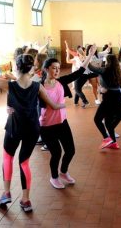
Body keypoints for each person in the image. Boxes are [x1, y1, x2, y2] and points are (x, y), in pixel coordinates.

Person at [0, 37, 65, 212]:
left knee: (7, 158)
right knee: (24, 163)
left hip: (14, 128)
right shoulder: (37, 86)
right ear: (32, 69)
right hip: (32, 130)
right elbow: (53, 105)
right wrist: (63, 104)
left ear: (17, 68)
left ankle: (6, 192)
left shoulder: (9, 85)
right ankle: (26, 200)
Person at [39, 54, 91, 189]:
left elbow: (79, 72)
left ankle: (63, 172)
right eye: (54, 68)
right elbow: (26, 97)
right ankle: (54, 177)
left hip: (62, 122)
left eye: (58, 68)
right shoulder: (38, 86)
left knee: (70, 150)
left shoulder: (61, 82)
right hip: (47, 126)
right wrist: (12, 107)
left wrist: (90, 54)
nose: (57, 71)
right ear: (46, 69)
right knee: (56, 153)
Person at [87, 45, 121, 149]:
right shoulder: (118, 71)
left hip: (109, 98)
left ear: (107, 61)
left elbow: (90, 67)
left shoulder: (104, 70)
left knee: (97, 119)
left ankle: (107, 138)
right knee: (109, 122)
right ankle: (113, 142)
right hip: (117, 97)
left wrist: (89, 55)